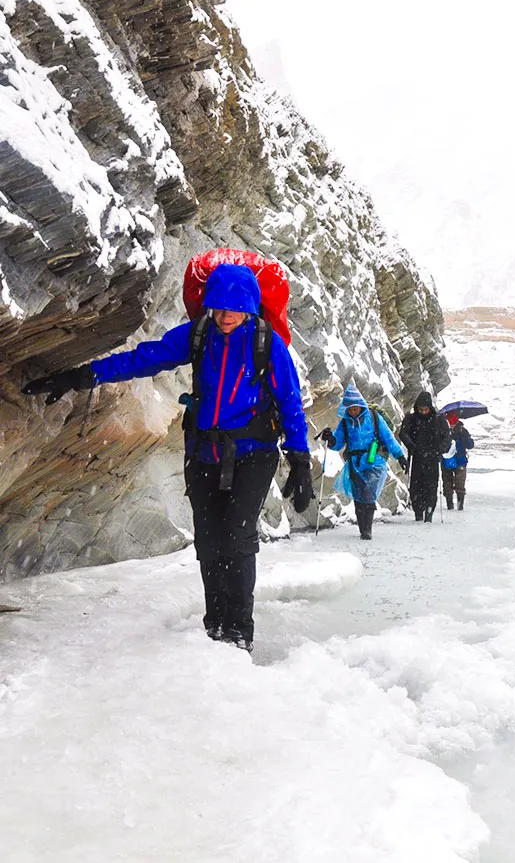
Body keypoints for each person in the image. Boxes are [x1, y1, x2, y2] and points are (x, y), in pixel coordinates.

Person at [22, 263, 313, 653]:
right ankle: (216, 627)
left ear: (249, 308)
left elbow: (290, 401)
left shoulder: (266, 343)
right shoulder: (198, 335)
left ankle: (239, 632)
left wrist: (300, 458)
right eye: (219, 308)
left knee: (238, 539)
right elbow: (144, 358)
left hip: (253, 454)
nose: (226, 317)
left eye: (234, 309)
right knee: (209, 543)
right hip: (202, 453)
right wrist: (82, 376)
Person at [321, 384, 408, 540]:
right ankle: (363, 528)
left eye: (356, 408)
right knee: (359, 496)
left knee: (368, 495)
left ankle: (367, 530)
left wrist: (400, 456)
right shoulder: (345, 423)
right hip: (354, 464)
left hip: (375, 461)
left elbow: (388, 438)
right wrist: (330, 438)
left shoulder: (374, 417)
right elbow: (338, 444)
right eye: (350, 409)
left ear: (360, 406)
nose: (353, 411)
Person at [398, 390, 451, 523]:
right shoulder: (411, 419)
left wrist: (439, 450)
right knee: (415, 487)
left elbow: (447, 437)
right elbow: (403, 433)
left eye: (425, 409)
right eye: (420, 409)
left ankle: (429, 512)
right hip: (417, 457)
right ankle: (418, 512)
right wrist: (411, 445)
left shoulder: (439, 420)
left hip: (432, 459)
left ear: (430, 408)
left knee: (431, 487)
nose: (423, 412)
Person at [441, 411, 474, 511]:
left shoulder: (462, 431)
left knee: (456, 484)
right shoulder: (444, 431)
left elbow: (470, 445)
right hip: (455, 461)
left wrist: (465, 438)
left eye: (453, 424)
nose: (452, 426)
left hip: (456, 460)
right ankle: (452, 505)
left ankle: (458, 506)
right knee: (449, 484)